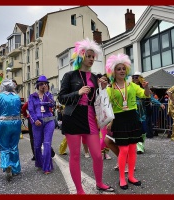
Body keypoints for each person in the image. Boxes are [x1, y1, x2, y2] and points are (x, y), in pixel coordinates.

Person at [58, 38, 114, 194]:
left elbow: (98, 100)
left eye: (92, 57)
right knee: (75, 156)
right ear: (81, 55)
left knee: (97, 154)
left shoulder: (96, 78)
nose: (91, 59)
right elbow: (61, 98)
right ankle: (79, 190)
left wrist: (102, 88)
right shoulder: (70, 75)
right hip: (73, 118)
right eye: (88, 56)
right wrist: (78, 92)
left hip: (90, 117)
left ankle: (100, 183)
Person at [105, 53, 150, 190]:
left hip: (132, 117)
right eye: (118, 69)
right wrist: (109, 120)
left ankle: (131, 176)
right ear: (113, 71)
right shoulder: (109, 88)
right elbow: (105, 105)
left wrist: (146, 87)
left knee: (132, 149)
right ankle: (122, 178)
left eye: (123, 68)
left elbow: (145, 95)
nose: (122, 71)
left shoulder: (131, 85)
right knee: (123, 149)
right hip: (119, 119)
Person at [0, 79, 22, 181]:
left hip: (4, 122)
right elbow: (20, 109)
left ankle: (6, 164)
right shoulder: (17, 97)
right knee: (14, 146)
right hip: (16, 122)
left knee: (4, 146)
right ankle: (15, 169)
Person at [28, 75, 56, 174]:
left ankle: (47, 167)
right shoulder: (32, 97)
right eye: (40, 84)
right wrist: (35, 120)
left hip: (49, 121)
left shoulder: (49, 95)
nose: (42, 86)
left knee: (47, 143)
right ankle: (40, 162)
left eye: (44, 84)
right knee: (37, 145)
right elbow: (30, 110)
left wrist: (47, 93)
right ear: (37, 85)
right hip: (37, 123)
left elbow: (53, 104)